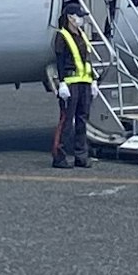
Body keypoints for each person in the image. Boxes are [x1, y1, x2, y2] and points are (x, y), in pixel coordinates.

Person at [49, 10, 100, 168]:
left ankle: (81, 156)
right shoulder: (62, 36)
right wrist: (62, 83)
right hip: (70, 83)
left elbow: (87, 59)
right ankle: (59, 156)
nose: (81, 19)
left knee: (82, 120)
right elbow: (60, 60)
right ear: (70, 17)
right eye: (79, 16)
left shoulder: (82, 35)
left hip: (84, 82)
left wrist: (93, 80)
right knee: (66, 121)